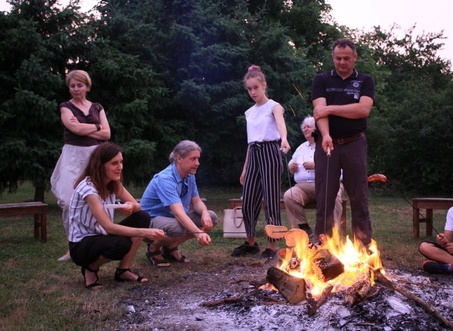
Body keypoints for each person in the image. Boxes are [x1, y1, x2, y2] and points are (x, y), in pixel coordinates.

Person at [68, 142, 166, 289]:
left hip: (102, 235)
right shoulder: (88, 189)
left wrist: (130, 206)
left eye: (121, 162)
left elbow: (137, 206)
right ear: (100, 165)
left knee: (142, 217)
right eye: (114, 163)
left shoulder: (113, 183)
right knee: (121, 244)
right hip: (81, 245)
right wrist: (147, 232)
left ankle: (123, 271)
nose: (120, 167)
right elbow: (109, 227)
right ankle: (90, 268)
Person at [311, 38, 375, 247]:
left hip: (354, 143)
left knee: (359, 197)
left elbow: (362, 110)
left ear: (354, 57)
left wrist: (331, 109)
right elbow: (318, 111)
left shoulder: (365, 81)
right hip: (327, 144)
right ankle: (322, 246)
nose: (342, 62)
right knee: (325, 198)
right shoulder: (321, 80)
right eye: (338, 58)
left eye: (346, 58)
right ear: (333, 57)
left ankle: (363, 247)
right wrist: (326, 134)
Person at [231, 65, 291, 259]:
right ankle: (251, 243)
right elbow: (251, 142)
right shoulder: (249, 112)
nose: (253, 92)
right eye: (249, 89)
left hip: (270, 152)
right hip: (254, 154)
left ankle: (272, 246)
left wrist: (284, 138)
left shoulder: (274, 106)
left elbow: (281, 123)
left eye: (256, 87)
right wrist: (245, 168)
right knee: (248, 201)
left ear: (264, 85)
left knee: (271, 200)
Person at [51, 70, 111, 261]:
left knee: (100, 198)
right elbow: (74, 128)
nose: (76, 89)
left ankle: (100, 239)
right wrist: (96, 127)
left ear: (87, 86)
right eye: (72, 85)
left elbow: (107, 135)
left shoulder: (97, 107)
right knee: (69, 201)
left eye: (80, 85)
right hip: (73, 157)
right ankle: (73, 246)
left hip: (95, 157)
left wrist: (86, 129)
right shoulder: (65, 107)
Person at [140, 140, 218, 268]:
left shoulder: (189, 175)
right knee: (178, 227)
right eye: (193, 159)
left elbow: (197, 201)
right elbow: (178, 213)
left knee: (212, 217)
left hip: (172, 219)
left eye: (198, 159)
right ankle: (153, 248)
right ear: (179, 158)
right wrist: (199, 233)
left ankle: (171, 246)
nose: (197, 163)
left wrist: (204, 213)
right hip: (151, 220)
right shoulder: (165, 179)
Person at [283, 116, 344, 240]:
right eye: (303, 127)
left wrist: (317, 166)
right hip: (303, 188)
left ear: (317, 129)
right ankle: (303, 229)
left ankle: (333, 233)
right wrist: (291, 167)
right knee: (289, 195)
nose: (305, 129)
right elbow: (291, 163)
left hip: (327, 184)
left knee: (335, 197)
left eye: (308, 127)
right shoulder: (301, 148)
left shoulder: (328, 144)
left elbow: (340, 170)